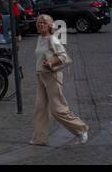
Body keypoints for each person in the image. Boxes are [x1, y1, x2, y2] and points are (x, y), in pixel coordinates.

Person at [30, 15, 89, 146]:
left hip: (52, 76)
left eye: (43, 23)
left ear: (50, 25)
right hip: (41, 76)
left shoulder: (53, 40)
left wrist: (51, 63)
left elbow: (64, 57)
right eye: (38, 23)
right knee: (40, 108)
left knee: (58, 109)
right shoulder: (40, 38)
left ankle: (81, 129)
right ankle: (40, 138)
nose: (40, 25)